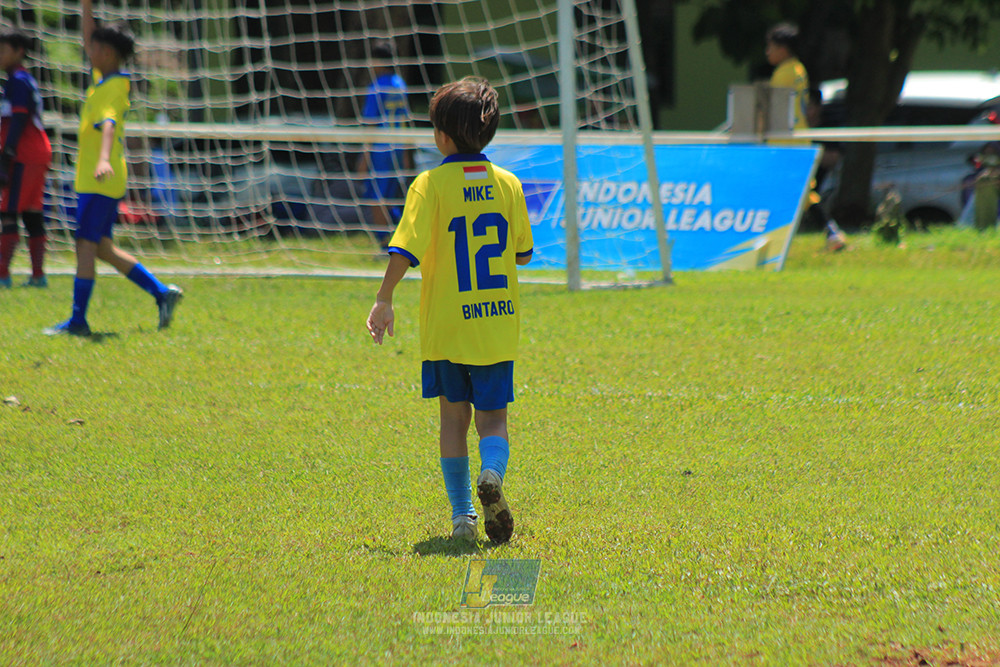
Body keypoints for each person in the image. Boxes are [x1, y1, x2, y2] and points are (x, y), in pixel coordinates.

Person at [365, 76, 534, 544]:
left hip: (447, 327)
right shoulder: (508, 184)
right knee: (493, 420)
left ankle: (463, 517)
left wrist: (384, 298)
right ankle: (493, 473)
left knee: (452, 419)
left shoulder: (430, 184)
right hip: (496, 324)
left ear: (441, 135)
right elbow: (522, 253)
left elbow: (405, 249)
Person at [45, 0, 182, 336]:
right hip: (99, 180)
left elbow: (108, 126)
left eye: (94, 47)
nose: (87, 49)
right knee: (102, 247)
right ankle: (161, 293)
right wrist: (87, 7)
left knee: (85, 246)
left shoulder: (112, 89)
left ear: (105, 53)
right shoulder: (104, 78)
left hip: (99, 179)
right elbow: (88, 37)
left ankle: (78, 321)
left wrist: (104, 158)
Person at [0, 28, 52, 288]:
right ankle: (38, 276)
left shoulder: (17, 80)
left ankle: (2, 275)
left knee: (8, 212)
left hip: (24, 152)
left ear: (19, 51)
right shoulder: (19, 79)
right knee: (32, 213)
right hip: (36, 152)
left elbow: (19, 117)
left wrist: (6, 153)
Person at [356, 40, 413, 246]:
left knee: (376, 197)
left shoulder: (376, 87)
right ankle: (398, 236)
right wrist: (407, 153)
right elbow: (405, 120)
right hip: (398, 147)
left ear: (378, 61)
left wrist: (364, 156)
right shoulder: (400, 84)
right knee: (391, 195)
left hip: (380, 149)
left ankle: (384, 245)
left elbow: (371, 125)